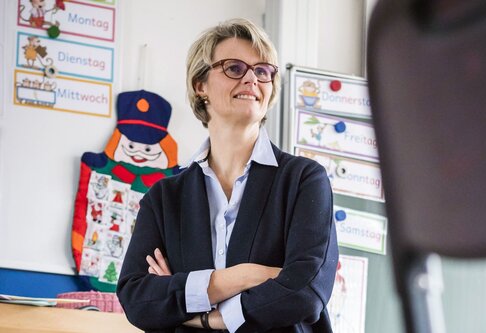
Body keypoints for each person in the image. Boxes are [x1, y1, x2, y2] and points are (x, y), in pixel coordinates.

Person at [117, 18, 338, 333]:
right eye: (235, 68)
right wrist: (244, 276)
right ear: (200, 85)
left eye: (262, 71)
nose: (252, 79)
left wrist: (201, 312)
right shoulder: (165, 198)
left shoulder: (304, 180)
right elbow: (137, 300)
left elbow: (306, 291)